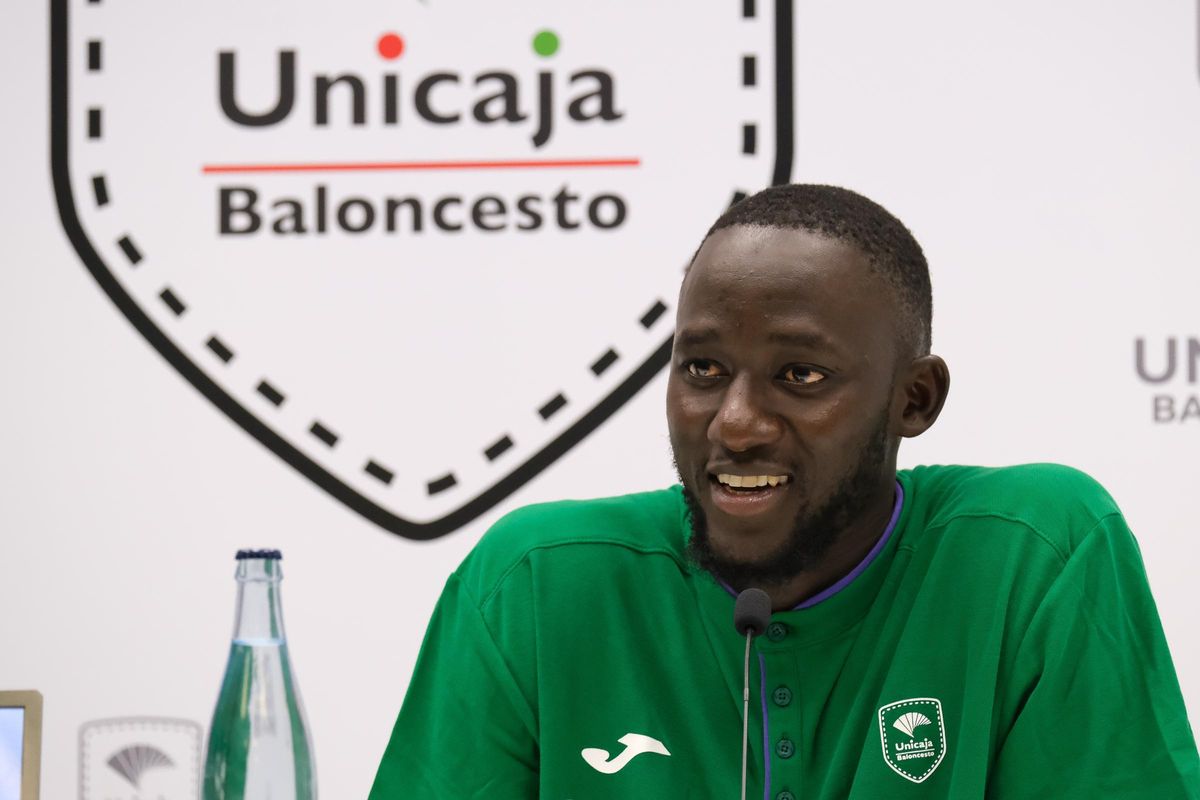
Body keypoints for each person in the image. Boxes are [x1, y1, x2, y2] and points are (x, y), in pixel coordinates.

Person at [369, 185, 1200, 798]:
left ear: (915, 401)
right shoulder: (534, 582)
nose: (735, 422)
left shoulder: (1034, 550)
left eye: (799, 375)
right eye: (703, 369)